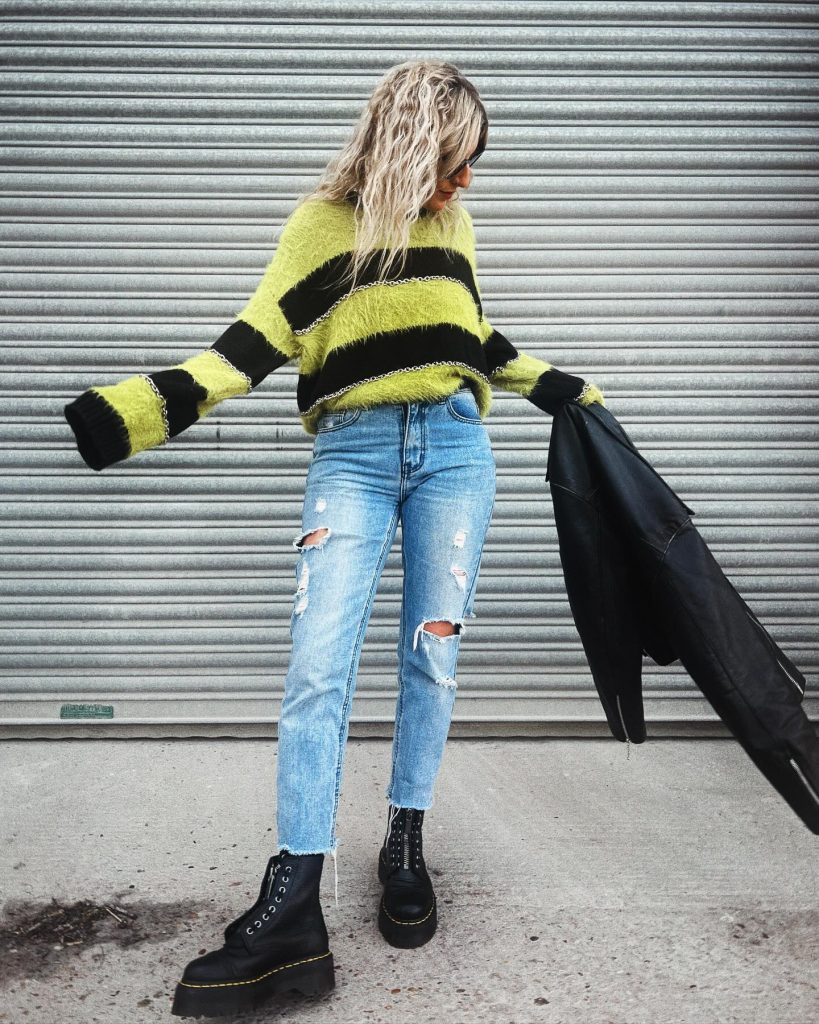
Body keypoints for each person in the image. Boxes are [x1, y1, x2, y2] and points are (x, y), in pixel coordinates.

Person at [63, 59, 605, 1019]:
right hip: (350, 457)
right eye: (456, 160)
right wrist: (136, 410)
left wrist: (557, 383)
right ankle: (295, 892)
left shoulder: (454, 226)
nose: (466, 181)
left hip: (455, 452)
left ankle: (404, 840)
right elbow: (250, 345)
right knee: (318, 667)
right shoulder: (321, 227)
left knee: (432, 659)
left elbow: (466, 335)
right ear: (411, 148)